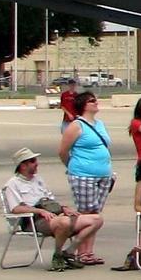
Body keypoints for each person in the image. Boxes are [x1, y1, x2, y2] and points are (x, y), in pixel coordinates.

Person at [1, 146, 102, 270]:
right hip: (34, 220)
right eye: (32, 161)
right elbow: (15, 209)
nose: (37, 164)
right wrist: (39, 211)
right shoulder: (12, 184)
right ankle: (58, 255)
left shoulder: (38, 180)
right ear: (23, 166)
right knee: (64, 222)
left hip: (54, 215)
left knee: (96, 219)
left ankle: (69, 252)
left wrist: (64, 208)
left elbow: (50, 200)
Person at [56, 90, 114, 264]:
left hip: (103, 174)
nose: (96, 103)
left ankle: (89, 251)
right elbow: (63, 151)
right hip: (83, 175)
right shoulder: (76, 126)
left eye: (96, 100)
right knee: (86, 213)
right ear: (83, 106)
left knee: (95, 214)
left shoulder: (100, 124)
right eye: (91, 101)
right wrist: (74, 167)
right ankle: (80, 251)